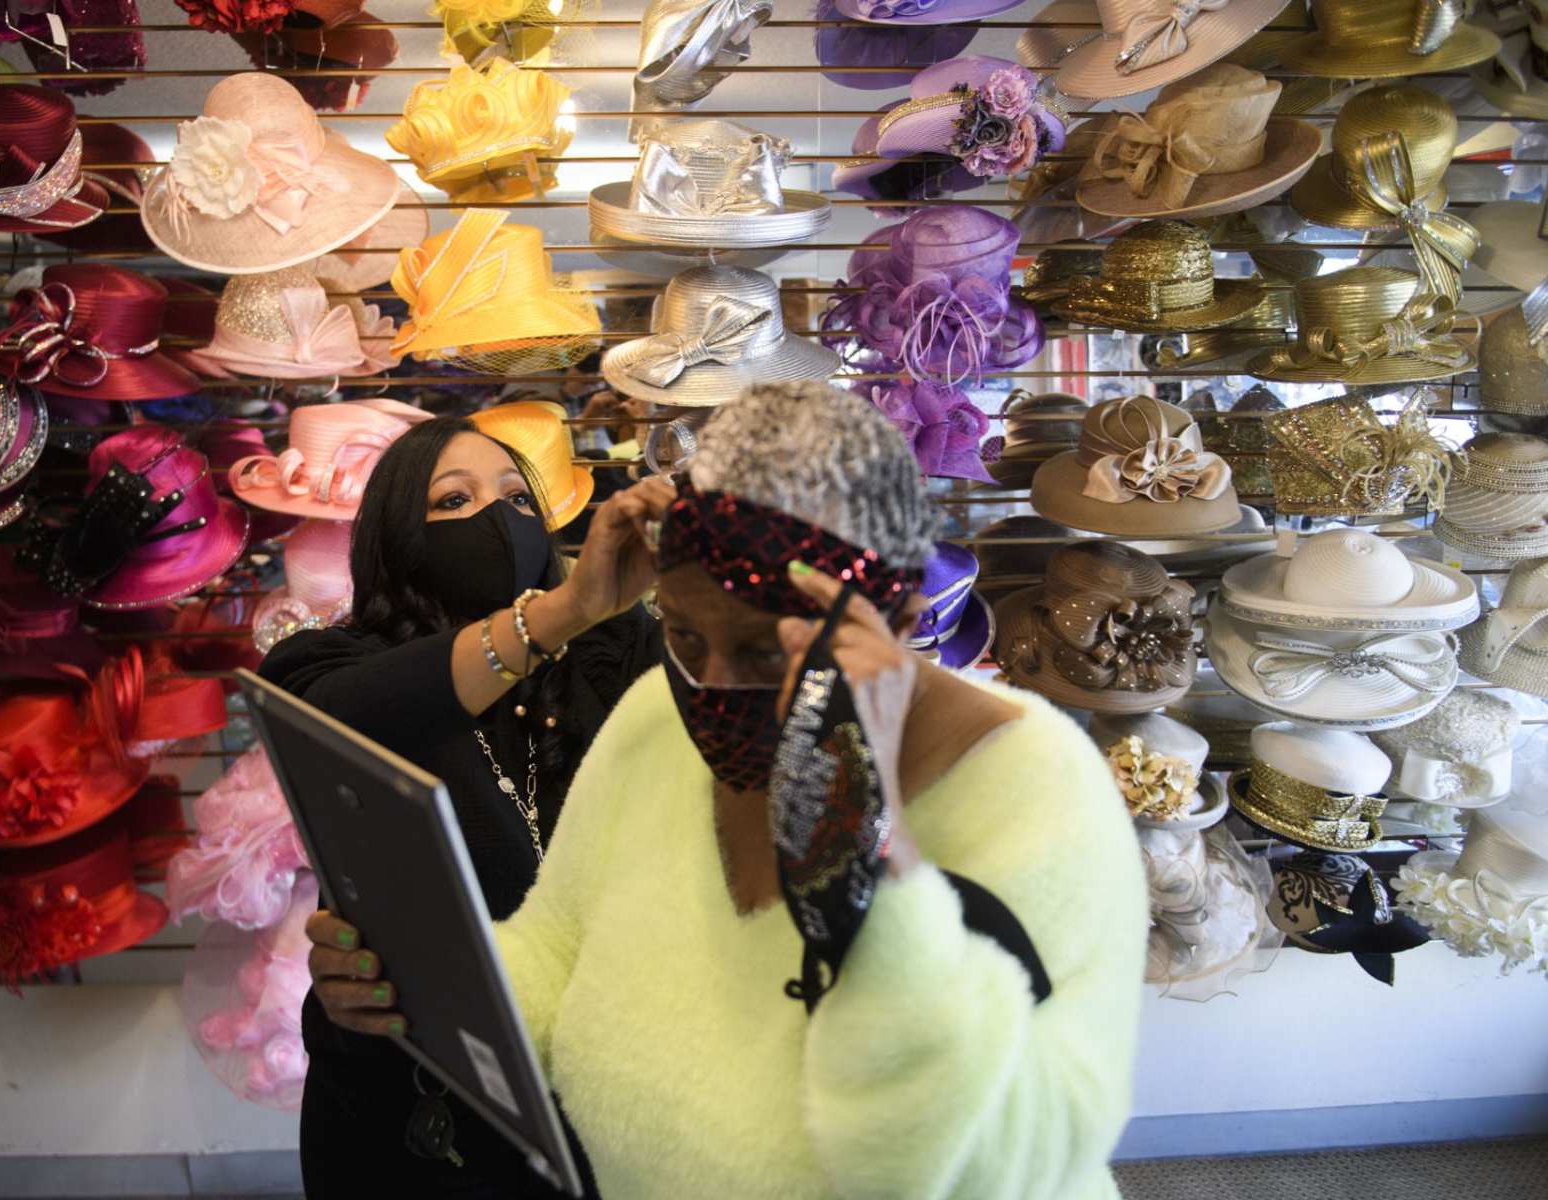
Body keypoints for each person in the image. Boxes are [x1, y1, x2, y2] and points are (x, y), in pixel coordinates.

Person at [305, 382, 1149, 1199]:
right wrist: (414, 974)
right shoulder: (655, 715)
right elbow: (558, 951)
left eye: (760, 652)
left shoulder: (1038, 787)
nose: (710, 684)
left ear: (889, 615)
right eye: (680, 633)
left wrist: (866, 892)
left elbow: (1015, 1162)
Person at [258, 414, 667, 1197]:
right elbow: (340, 723)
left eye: (518, 498)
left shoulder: (618, 658)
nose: (496, 516)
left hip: (610, 1097)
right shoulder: (327, 668)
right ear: (397, 538)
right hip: (419, 1111)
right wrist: (567, 607)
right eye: (455, 500)